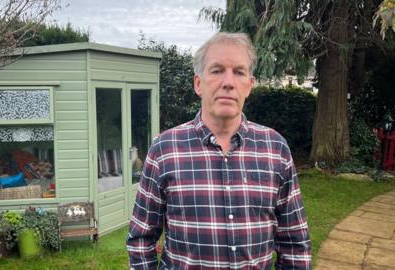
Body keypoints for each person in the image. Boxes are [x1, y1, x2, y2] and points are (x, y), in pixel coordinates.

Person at [127, 32, 311, 269]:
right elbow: (141, 238)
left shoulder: (275, 149)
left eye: (239, 72)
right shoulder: (164, 150)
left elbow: (295, 242)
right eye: (216, 70)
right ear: (198, 83)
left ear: (250, 85)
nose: (228, 82)